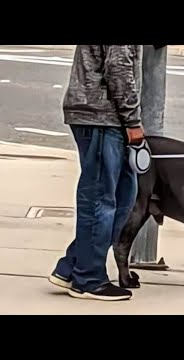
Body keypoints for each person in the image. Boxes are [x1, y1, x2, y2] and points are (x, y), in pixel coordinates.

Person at [48, 45, 145, 301]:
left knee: (124, 195)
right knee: (101, 199)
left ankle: (71, 267)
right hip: (101, 117)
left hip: (106, 117)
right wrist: (133, 120)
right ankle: (88, 279)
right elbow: (119, 68)